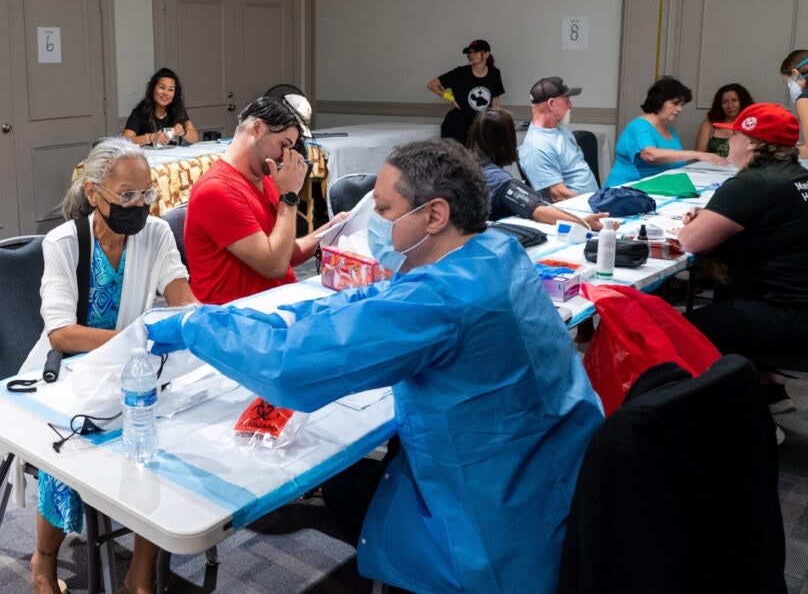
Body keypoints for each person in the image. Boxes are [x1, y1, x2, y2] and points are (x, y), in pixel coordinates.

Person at [146, 139, 604, 593]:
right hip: (552, 474)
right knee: (349, 476)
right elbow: (380, 298)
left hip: (491, 524)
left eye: (383, 211)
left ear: (434, 215)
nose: (376, 225)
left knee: (341, 473)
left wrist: (194, 324)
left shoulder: (440, 300)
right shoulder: (494, 251)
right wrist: (285, 316)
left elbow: (290, 367)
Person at [22, 136, 198, 594]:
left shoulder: (155, 233)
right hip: (67, 372)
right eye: (127, 195)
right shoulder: (64, 243)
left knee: (158, 443)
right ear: (93, 191)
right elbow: (61, 333)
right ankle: (43, 564)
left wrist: (193, 319)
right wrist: (138, 340)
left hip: (130, 369)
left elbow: (180, 292)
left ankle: (139, 577)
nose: (138, 205)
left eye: (146, 194)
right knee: (64, 445)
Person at [677, 103, 808, 417]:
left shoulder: (752, 182)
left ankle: (737, 418)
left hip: (790, 315)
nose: (728, 142)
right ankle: (765, 389)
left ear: (753, 144)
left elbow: (690, 241)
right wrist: (718, 217)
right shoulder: (805, 178)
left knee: (680, 331)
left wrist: (696, 223)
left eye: (735, 136)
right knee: (727, 290)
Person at [183, 97, 347, 304]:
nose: (285, 156)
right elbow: (274, 266)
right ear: (258, 128)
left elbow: (284, 251)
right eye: (283, 145)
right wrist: (289, 196)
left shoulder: (265, 179)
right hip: (235, 314)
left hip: (271, 302)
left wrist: (331, 230)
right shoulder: (216, 190)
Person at [467, 108, 614, 230]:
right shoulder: (500, 181)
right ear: (506, 140)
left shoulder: (466, 167)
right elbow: (538, 211)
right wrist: (584, 223)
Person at [606, 76, 727, 187]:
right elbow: (650, 155)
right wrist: (697, 154)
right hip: (625, 191)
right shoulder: (639, 126)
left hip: (657, 188)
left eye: (682, 105)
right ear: (659, 101)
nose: (679, 109)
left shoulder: (670, 130)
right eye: (675, 103)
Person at [518, 76, 599, 201]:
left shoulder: (560, 129)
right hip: (576, 209)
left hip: (593, 201)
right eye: (567, 100)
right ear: (551, 104)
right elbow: (558, 195)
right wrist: (596, 204)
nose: (571, 105)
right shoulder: (537, 146)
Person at [426, 38, 505, 143]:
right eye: (469, 52)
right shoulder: (460, 73)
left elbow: (495, 101)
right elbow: (432, 85)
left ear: (486, 54)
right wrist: (451, 99)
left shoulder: (494, 73)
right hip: (457, 126)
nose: (471, 55)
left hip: (480, 125)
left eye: (475, 52)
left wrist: (497, 123)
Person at [121, 68, 199, 148]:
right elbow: (124, 141)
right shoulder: (140, 112)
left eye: (171, 90)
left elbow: (195, 137)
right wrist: (151, 137)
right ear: (153, 88)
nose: (166, 93)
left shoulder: (177, 110)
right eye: (162, 87)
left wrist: (183, 132)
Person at [779, 50, 808, 160]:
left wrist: (778, 153)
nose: (789, 88)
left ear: (795, 74)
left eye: (788, 83)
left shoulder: (807, 98)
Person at [693, 83, 755, 157]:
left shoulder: (754, 123)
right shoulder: (709, 124)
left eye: (734, 100)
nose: (730, 105)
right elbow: (698, 155)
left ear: (743, 101)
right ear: (719, 105)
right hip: (712, 164)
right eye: (724, 102)